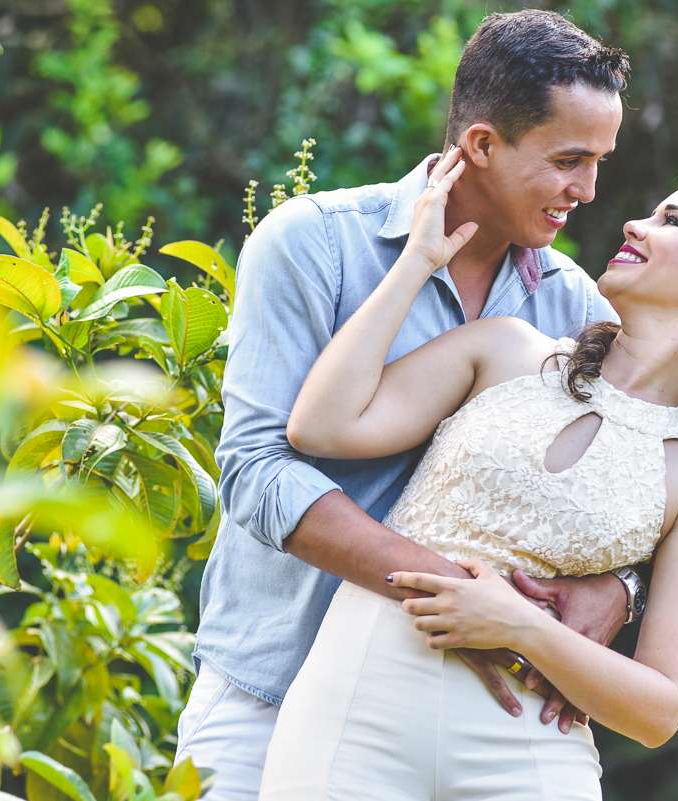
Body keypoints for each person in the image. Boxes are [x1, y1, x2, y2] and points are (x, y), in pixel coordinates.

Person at [257, 148, 678, 798]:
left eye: (672, 221)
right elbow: (320, 426)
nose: (635, 224)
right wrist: (416, 264)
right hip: (355, 708)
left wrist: (519, 625)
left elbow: (658, 709)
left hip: (525, 755)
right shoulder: (505, 348)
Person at [177, 11, 636, 797]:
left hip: (473, 720)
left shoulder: (577, 310)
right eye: (568, 160)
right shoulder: (310, 245)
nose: (588, 191)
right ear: (483, 146)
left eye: (598, 162)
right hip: (269, 695)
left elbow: (631, 492)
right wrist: (450, 591)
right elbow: (256, 470)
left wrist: (622, 589)